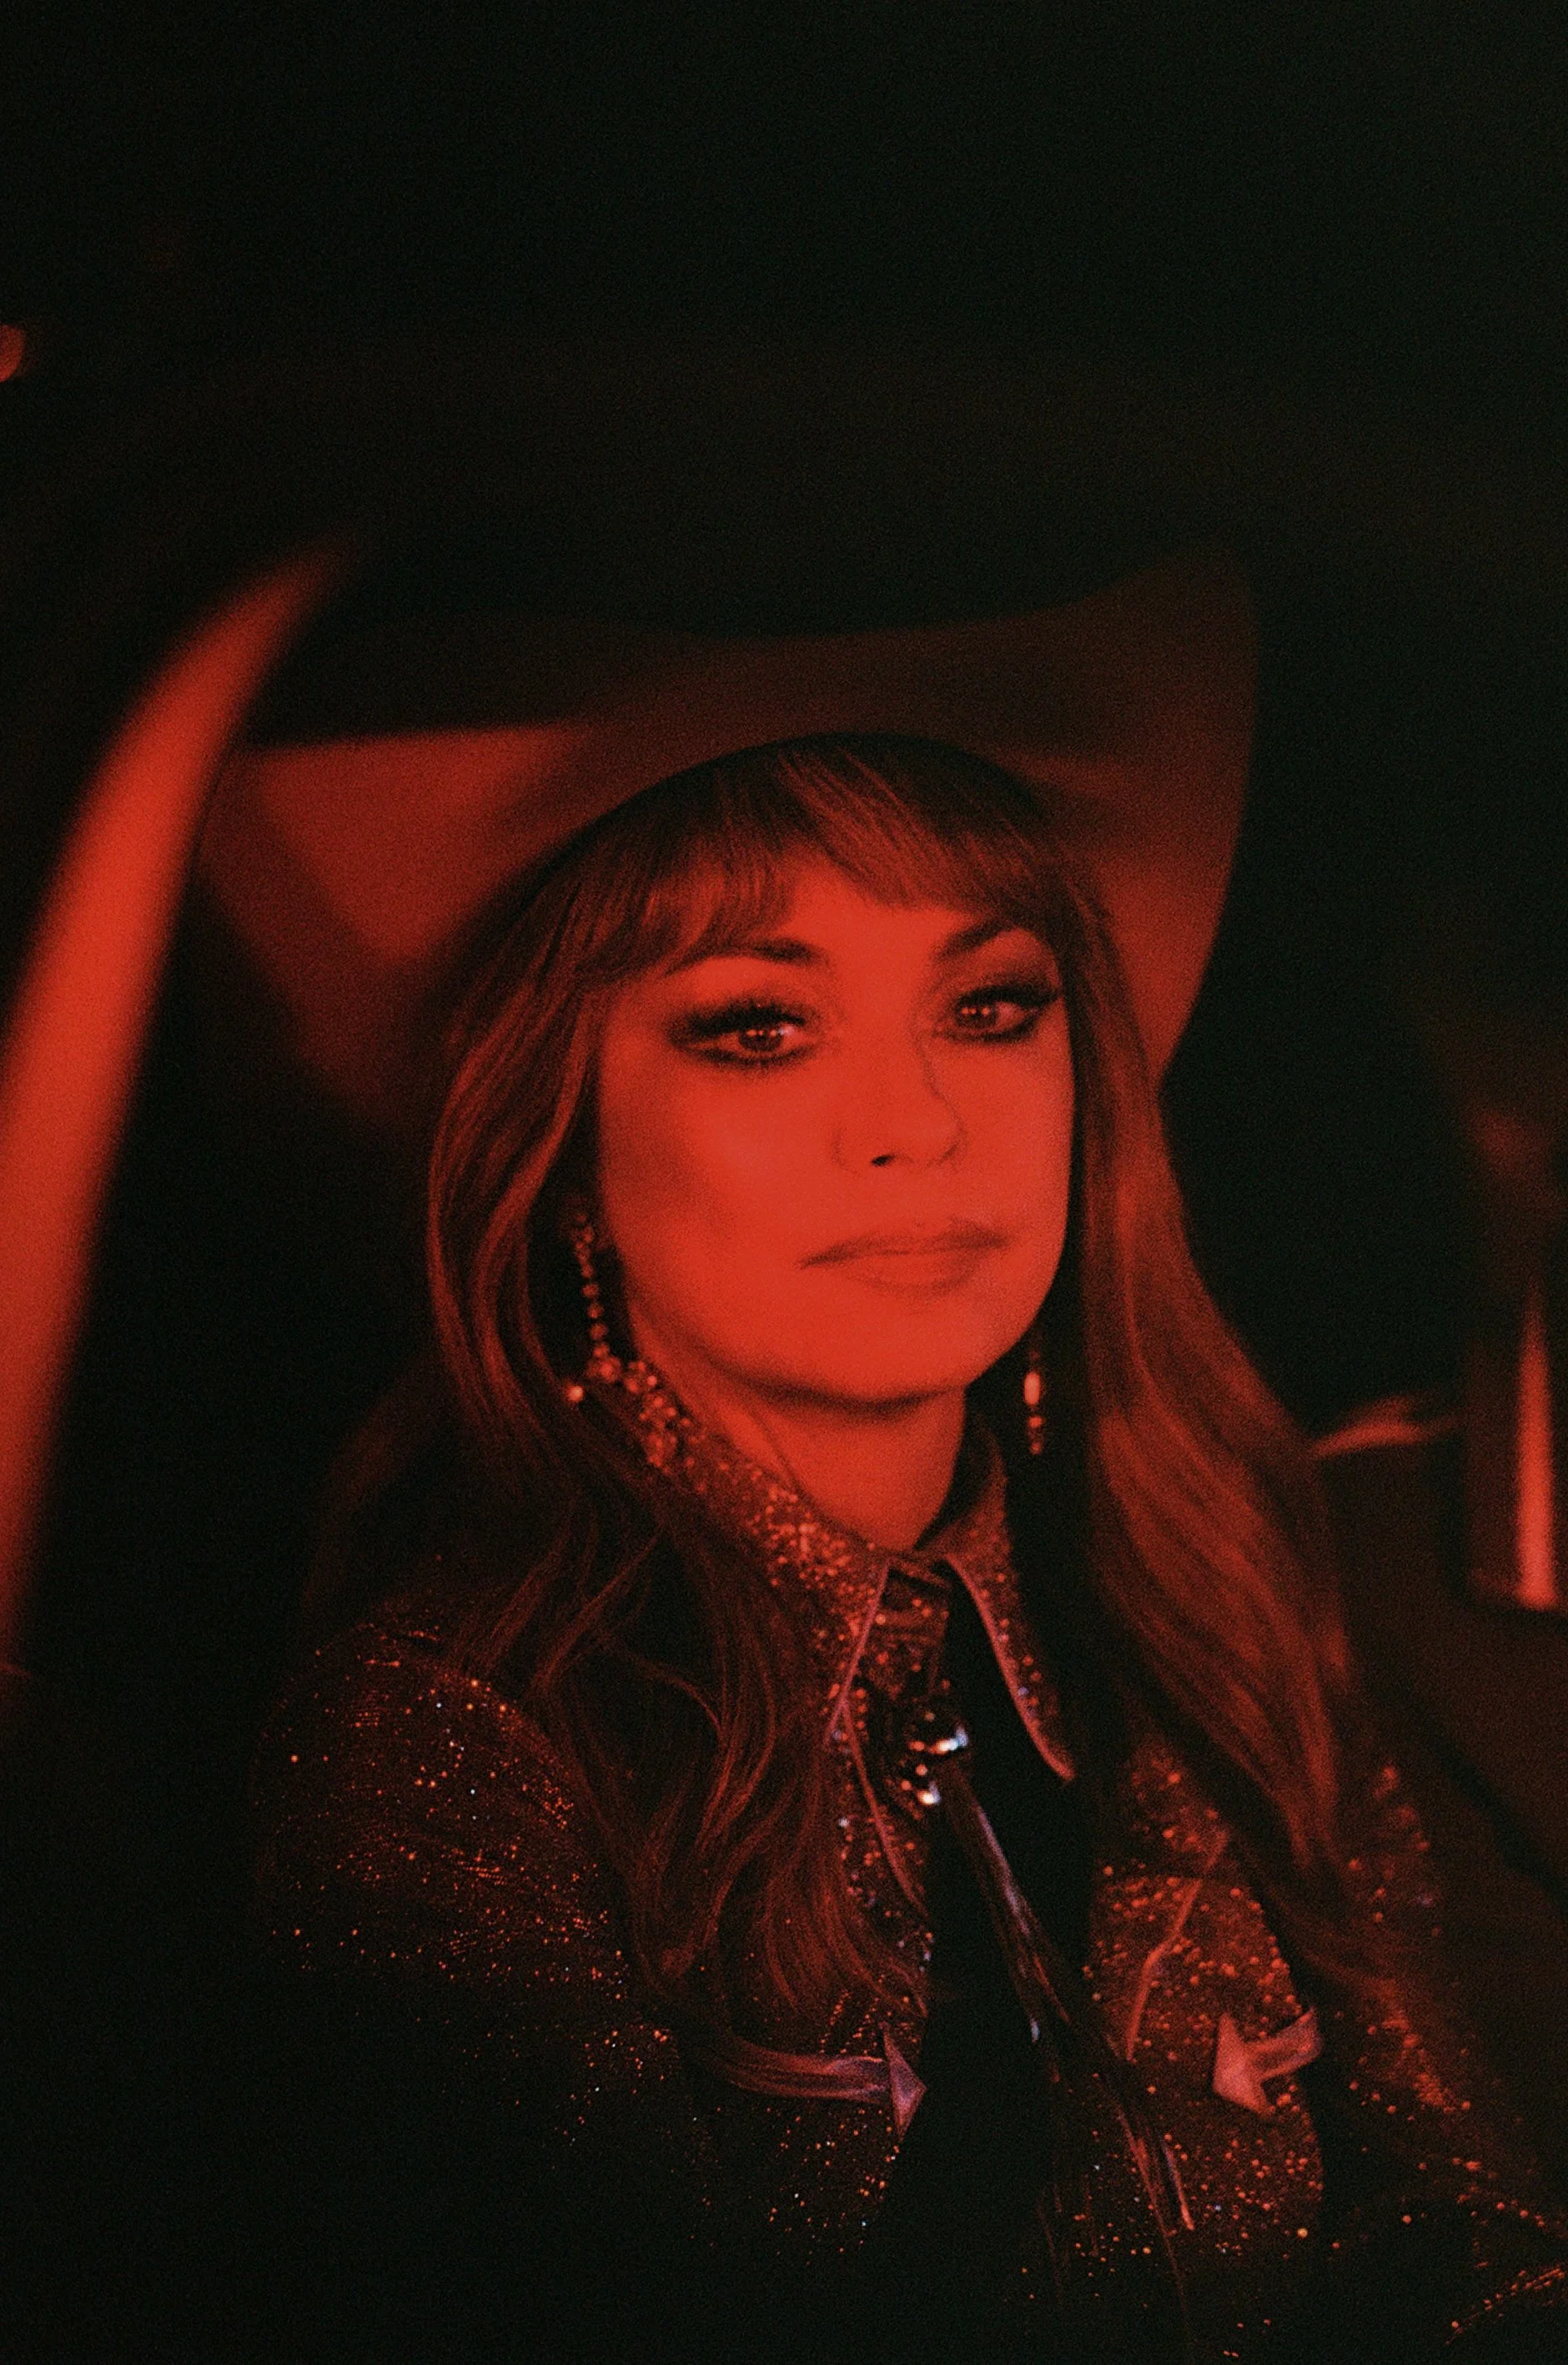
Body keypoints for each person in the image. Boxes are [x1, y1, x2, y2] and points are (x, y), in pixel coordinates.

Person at [249, 722, 1566, 2362]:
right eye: (760, 1025)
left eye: (989, 1007)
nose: (916, 1121)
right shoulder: (451, 1728)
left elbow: (1472, 2230)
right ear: (563, 1136)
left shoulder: (1205, 1593)